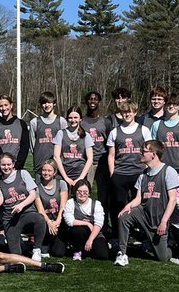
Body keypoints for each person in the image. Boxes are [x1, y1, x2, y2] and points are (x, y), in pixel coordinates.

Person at [115, 140, 179, 267]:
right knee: (124, 216)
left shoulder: (168, 171)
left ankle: (170, 245)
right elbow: (139, 198)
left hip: (158, 219)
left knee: (162, 257)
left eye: (144, 151)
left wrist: (164, 221)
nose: (141, 153)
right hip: (143, 214)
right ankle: (122, 253)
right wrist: (127, 206)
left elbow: (172, 199)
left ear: (153, 154)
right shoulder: (143, 175)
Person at [105, 98, 152, 239]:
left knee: (140, 204)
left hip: (139, 173)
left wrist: (146, 169)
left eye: (130, 112)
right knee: (118, 205)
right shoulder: (114, 132)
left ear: (135, 112)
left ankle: (141, 233)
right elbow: (111, 155)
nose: (127, 114)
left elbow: (148, 152)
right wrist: (113, 173)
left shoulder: (143, 130)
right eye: (125, 112)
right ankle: (118, 234)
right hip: (120, 173)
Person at [0, 153, 46, 258]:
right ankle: (24, 246)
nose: (6, 167)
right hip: (10, 219)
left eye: (9, 164)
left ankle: (37, 249)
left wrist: (21, 205)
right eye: (3, 165)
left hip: (26, 213)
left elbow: (33, 194)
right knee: (17, 255)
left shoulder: (23, 173)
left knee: (39, 219)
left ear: (13, 164)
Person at [61, 179, 110, 261]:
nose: (82, 194)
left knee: (102, 255)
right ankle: (77, 250)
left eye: (85, 192)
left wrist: (90, 240)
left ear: (89, 193)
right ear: (75, 191)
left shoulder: (96, 204)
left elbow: (98, 224)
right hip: (78, 233)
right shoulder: (70, 203)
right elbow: (69, 221)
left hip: (93, 233)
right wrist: (87, 224)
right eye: (79, 191)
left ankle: (87, 249)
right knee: (78, 230)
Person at [81, 91, 112, 221]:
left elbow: (110, 143)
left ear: (99, 101)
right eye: (90, 99)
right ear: (86, 101)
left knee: (103, 195)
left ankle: (103, 224)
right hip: (87, 163)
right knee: (84, 193)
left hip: (102, 162)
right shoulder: (81, 121)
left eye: (95, 99)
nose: (92, 101)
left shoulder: (105, 122)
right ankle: (84, 219)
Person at [149, 94, 179, 168]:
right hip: (162, 167)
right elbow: (152, 147)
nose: (171, 106)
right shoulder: (156, 125)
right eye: (169, 104)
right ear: (165, 105)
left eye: (175, 104)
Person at [0, 95, 30, 180]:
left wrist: (16, 166)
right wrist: (2, 165)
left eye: (6, 105)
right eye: (1, 106)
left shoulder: (21, 124)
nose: (3, 108)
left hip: (17, 168)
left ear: (11, 105)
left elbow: (24, 147)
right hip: (0, 170)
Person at [33, 159, 68, 258]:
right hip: (45, 221)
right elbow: (40, 210)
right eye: (44, 170)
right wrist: (50, 223)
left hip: (58, 220)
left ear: (54, 172)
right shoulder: (36, 187)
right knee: (41, 222)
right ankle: (44, 243)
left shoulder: (61, 184)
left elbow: (63, 206)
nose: (46, 173)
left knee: (59, 253)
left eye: (49, 170)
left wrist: (57, 221)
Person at [55, 107, 92, 189]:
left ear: (80, 119)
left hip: (79, 173)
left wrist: (81, 178)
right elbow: (56, 156)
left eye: (75, 117)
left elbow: (90, 158)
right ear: (67, 119)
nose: (73, 120)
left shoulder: (86, 135)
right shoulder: (61, 133)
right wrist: (65, 177)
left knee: (79, 199)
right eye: (70, 118)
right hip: (63, 173)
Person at [28, 92, 66, 168]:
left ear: (54, 104)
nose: (47, 105)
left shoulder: (61, 121)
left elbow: (65, 143)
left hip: (57, 165)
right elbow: (32, 145)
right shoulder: (34, 122)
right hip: (40, 164)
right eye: (44, 103)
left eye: (49, 102)